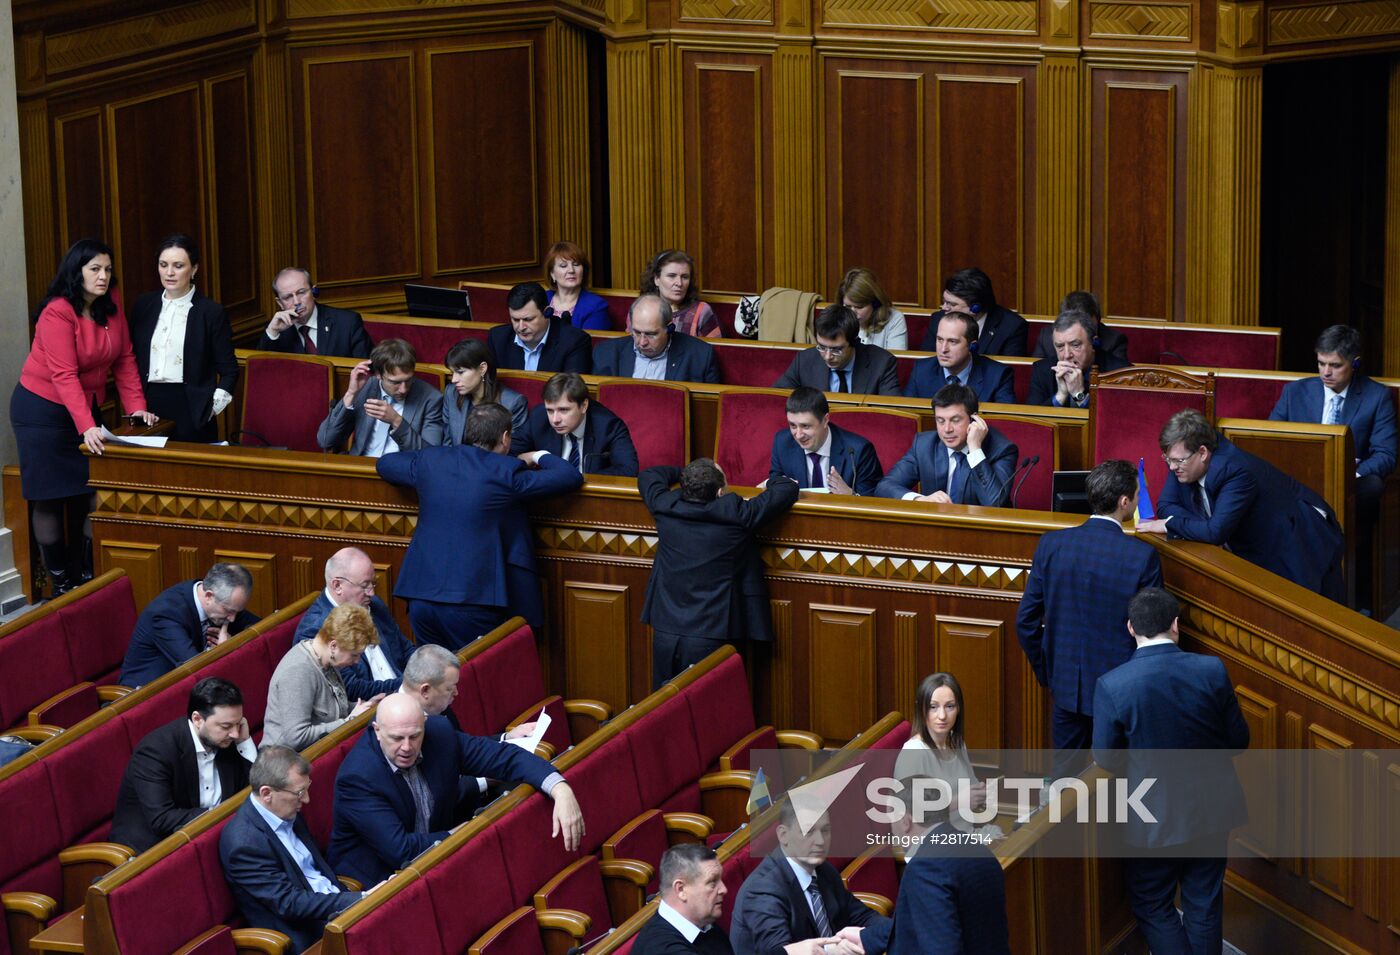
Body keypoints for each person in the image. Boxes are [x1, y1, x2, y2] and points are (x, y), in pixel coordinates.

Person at [1092, 587, 1249, 955]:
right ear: (1176, 625)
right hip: (1213, 809)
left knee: (1152, 903)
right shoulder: (1212, 670)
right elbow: (1239, 740)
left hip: (1152, 818)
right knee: (1204, 902)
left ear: (1131, 628)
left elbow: (1106, 758)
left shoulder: (1113, 685)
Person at [10, 238, 157, 596]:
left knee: (91, 493)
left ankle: (89, 576)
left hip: (83, 409)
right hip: (42, 412)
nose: (103, 276)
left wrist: (135, 407)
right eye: (94, 269)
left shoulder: (111, 306)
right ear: (76, 272)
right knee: (50, 496)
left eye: (107, 269)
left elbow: (124, 359)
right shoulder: (58, 311)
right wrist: (88, 425)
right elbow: (63, 374)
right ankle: (61, 585)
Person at [377, 403, 583, 649]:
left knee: (432, 681)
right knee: (478, 680)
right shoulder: (505, 471)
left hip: (421, 596)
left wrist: (434, 460)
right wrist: (537, 455)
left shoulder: (431, 459)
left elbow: (385, 464)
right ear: (505, 438)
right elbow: (570, 476)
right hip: (472, 601)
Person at [327, 692, 584, 886]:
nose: (406, 747)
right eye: (397, 738)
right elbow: (400, 851)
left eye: (414, 736)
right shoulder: (358, 777)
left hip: (436, 856)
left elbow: (505, 758)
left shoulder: (439, 734)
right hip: (380, 881)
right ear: (377, 731)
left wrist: (559, 788)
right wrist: (459, 834)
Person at [1015, 460, 1163, 767]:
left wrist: (1050, 672)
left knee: (1066, 786)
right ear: (1125, 502)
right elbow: (1152, 634)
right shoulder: (1142, 556)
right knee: (1117, 789)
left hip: (1065, 686)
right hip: (1119, 692)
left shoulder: (1052, 545)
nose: (1137, 501)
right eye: (1137, 495)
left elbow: (1026, 622)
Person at [1138, 409, 1345, 599]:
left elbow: (1215, 532)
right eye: (1168, 459)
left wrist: (1170, 524)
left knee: (1312, 615)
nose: (1172, 467)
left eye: (1178, 461)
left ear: (1202, 452)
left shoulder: (1234, 470)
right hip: (1256, 537)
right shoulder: (1184, 459)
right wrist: (1203, 527)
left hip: (1300, 535)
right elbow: (1166, 506)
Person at [640, 460, 799, 688]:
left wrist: (685, 473)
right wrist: (769, 481)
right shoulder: (737, 515)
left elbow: (649, 474)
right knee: (712, 710)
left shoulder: (664, 506)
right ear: (720, 492)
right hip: (712, 634)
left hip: (665, 629)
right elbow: (787, 489)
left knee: (664, 708)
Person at [1270, 324, 1396, 611]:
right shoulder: (1295, 393)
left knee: (1373, 484)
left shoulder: (1376, 397)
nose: (1326, 372)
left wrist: (1347, 472)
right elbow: (1273, 441)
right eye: (1321, 363)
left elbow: (1386, 455)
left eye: (1335, 365)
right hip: (1299, 483)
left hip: (1349, 486)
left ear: (1355, 364)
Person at [219, 745, 363, 953]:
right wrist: (354, 900)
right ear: (267, 793)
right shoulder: (244, 844)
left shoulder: (284, 809)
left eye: (306, 788)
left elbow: (314, 871)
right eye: (299, 793)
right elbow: (289, 903)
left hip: (333, 907)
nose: (306, 799)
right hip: (307, 934)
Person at [110, 677, 257, 854]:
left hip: (211, 838)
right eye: (226, 726)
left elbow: (252, 788)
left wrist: (245, 742)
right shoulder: (155, 751)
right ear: (197, 719)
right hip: (154, 850)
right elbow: (162, 818)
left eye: (238, 724)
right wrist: (217, 814)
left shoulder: (227, 739)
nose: (234, 733)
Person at [729, 800, 892, 955]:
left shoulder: (824, 871)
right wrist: (831, 951)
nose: (820, 841)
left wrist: (894, 932)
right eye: (809, 831)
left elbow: (864, 917)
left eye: (825, 830)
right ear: (783, 835)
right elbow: (779, 951)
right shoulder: (763, 890)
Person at [129, 233, 238, 442]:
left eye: (178, 266)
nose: (169, 272)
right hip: (147, 406)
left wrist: (209, 409)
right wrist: (135, 404)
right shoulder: (143, 305)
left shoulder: (211, 312)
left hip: (191, 407)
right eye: (163, 264)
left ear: (194, 269)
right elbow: (130, 359)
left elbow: (229, 371)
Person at [884, 779, 1010, 955]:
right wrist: (865, 937)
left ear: (906, 821)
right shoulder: (979, 850)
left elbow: (939, 948)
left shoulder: (924, 868)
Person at [295, 548, 413, 701]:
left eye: (373, 584)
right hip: (369, 710)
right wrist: (410, 685)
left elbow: (405, 648)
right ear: (337, 585)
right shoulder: (316, 630)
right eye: (365, 586)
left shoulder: (374, 605)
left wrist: (424, 668)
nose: (371, 593)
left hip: (403, 694)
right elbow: (350, 689)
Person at [263, 604, 383, 751]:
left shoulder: (326, 659)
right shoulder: (298, 671)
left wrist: (365, 706)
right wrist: (350, 721)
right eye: (354, 654)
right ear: (333, 645)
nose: (357, 661)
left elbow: (330, 709)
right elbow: (296, 737)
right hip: (284, 762)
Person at [875, 383, 1018, 506]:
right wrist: (920, 499)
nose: (947, 429)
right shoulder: (925, 445)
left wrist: (975, 449)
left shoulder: (1001, 449)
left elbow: (995, 503)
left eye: (955, 420)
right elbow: (884, 487)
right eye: (940, 421)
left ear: (973, 419)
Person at [120, 563, 258, 687]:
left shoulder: (222, 601)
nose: (232, 619)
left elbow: (260, 626)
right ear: (209, 596)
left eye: (237, 611)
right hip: (143, 697)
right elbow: (196, 668)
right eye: (229, 611)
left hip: (186, 688)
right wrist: (225, 651)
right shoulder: (166, 614)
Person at [316, 338, 444, 455]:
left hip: (402, 472)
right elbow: (326, 440)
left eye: (409, 380)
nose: (403, 389)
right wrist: (351, 394)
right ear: (378, 374)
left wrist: (396, 421)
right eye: (395, 382)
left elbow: (430, 455)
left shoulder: (431, 398)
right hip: (359, 467)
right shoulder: (365, 387)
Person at [892, 673, 986, 831]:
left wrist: (981, 793)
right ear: (921, 709)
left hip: (965, 835)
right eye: (933, 707)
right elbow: (907, 813)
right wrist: (959, 802)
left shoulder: (957, 743)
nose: (942, 716)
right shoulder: (914, 752)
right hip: (931, 845)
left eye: (949, 706)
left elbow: (972, 784)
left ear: (958, 709)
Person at [768, 387, 882, 495]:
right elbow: (775, 485)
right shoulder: (782, 443)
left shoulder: (858, 451)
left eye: (806, 426)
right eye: (793, 425)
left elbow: (874, 503)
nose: (798, 435)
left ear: (825, 420)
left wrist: (851, 495)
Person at [524, 372, 639, 476]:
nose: (555, 420)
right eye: (550, 410)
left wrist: (580, 479)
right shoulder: (538, 417)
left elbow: (628, 469)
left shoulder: (608, 426)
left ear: (584, 406)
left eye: (563, 410)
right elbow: (511, 453)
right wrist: (535, 456)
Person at [773, 305, 900, 396]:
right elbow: (776, 398)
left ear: (854, 341)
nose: (827, 356)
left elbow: (892, 413)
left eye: (836, 350)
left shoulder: (882, 363)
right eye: (822, 347)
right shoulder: (804, 360)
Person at [592, 293, 721, 383]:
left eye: (651, 334)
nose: (642, 342)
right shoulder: (605, 353)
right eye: (636, 332)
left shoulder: (700, 356)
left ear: (669, 328)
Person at [633, 843, 735, 954]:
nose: (723, 889)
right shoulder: (663, 949)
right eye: (712, 883)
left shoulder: (703, 921)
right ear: (681, 889)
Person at [257, 266, 372, 357]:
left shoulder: (347, 322)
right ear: (280, 303)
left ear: (314, 291)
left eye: (301, 292)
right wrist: (273, 332)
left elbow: (368, 371)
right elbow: (261, 372)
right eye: (288, 297)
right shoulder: (275, 330)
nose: (297, 301)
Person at [902, 311, 1014, 403]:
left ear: (972, 345)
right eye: (940, 340)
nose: (943, 349)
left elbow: (1005, 424)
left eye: (953, 341)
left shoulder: (998, 375)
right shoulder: (921, 370)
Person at [1027, 309, 1131, 407]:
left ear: (1093, 343)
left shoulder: (1121, 375)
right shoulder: (1042, 370)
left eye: (1075, 345)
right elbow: (1032, 422)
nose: (1067, 355)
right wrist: (1060, 396)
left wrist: (1079, 395)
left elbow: (1116, 421)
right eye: (1060, 346)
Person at [441, 337, 529, 453]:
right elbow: (447, 446)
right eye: (452, 373)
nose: (453, 380)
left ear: (482, 368)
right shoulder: (451, 394)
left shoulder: (513, 403)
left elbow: (512, 454)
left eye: (460, 372)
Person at [486, 281, 593, 373]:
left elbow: (572, 392)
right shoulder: (497, 338)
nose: (521, 327)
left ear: (547, 312)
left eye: (528, 319)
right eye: (515, 320)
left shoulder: (574, 342)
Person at [918, 267, 1027, 357]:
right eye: (944, 302)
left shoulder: (1011, 326)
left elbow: (1010, 371)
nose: (944, 308)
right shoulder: (939, 319)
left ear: (976, 308)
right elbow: (927, 362)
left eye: (952, 304)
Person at [1031, 290, 1129, 365]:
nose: (1067, 355)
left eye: (1085, 321)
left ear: (1097, 317)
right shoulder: (1047, 337)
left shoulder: (1114, 340)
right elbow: (1040, 373)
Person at [641, 249, 720, 338]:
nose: (679, 283)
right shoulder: (640, 310)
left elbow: (715, 349)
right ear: (656, 279)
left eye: (685, 277)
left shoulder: (702, 311)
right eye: (671, 276)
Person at [543, 240, 611, 329]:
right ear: (552, 273)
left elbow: (593, 342)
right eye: (563, 266)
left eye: (576, 264)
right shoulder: (541, 299)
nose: (571, 270)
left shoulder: (596, 306)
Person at [837, 267, 907, 350]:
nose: (852, 312)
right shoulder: (835, 318)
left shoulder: (895, 319)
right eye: (847, 306)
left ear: (875, 303)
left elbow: (896, 360)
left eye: (859, 307)